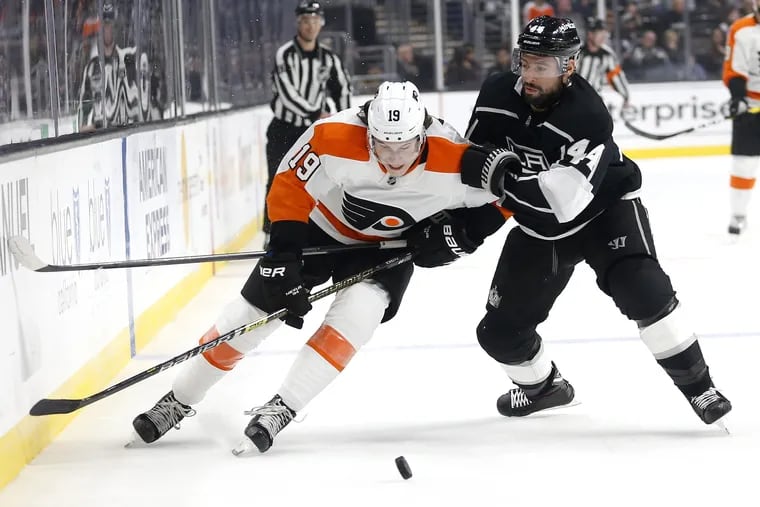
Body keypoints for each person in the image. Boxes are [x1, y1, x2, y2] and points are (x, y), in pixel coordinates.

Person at [131, 81, 511, 452]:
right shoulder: (334, 134)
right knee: (250, 315)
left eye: (405, 146)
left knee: (357, 316)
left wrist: (464, 236)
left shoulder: (452, 153)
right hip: (318, 230)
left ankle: (283, 406)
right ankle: (178, 399)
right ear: (368, 133)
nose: (395, 158)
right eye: (383, 145)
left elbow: (508, 194)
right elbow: (289, 185)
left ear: (422, 135)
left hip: (385, 250)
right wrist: (282, 255)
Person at [459, 16, 732, 427]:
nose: (529, 75)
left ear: (568, 66)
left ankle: (700, 388)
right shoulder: (497, 93)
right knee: (498, 333)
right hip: (540, 227)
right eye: (525, 62)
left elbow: (561, 201)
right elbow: (470, 161)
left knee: (645, 291)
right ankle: (544, 389)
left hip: (606, 213)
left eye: (541, 66)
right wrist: (459, 222)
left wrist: (498, 181)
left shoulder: (587, 115)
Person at [262, 1, 353, 240]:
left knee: (318, 181)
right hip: (285, 129)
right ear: (298, 23)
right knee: (278, 180)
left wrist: (346, 121)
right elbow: (287, 93)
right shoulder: (285, 54)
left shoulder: (329, 58)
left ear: (321, 23)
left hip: (314, 132)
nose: (310, 26)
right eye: (305, 20)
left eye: (314, 20)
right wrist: (315, 113)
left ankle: (314, 230)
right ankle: (271, 234)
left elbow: (342, 89)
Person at [77, 2, 155, 131]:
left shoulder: (128, 61)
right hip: (102, 137)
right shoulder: (92, 68)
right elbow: (84, 110)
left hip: (126, 134)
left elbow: (141, 102)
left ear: (115, 27)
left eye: (110, 24)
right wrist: (86, 128)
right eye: (104, 25)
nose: (107, 29)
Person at [722, 0, 760, 235]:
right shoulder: (741, 29)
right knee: (743, 164)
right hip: (752, 105)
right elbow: (734, 69)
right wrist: (738, 97)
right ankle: (738, 215)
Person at [576, 17, 631, 107]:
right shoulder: (577, 52)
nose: (603, 37)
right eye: (600, 33)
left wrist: (626, 96)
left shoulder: (607, 55)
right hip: (573, 100)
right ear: (590, 34)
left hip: (594, 101)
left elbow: (615, 76)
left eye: (604, 34)